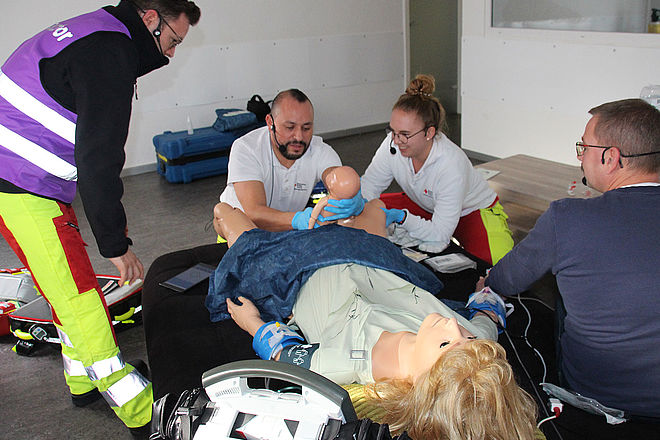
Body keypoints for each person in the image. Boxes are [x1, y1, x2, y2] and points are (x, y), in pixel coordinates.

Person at [0, 0, 200, 433]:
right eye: (172, 40)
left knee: (63, 286)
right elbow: (99, 160)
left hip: (23, 175)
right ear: (151, 19)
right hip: (19, 183)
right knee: (79, 297)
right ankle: (143, 412)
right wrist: (117, 245)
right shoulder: (112, 53)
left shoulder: (100, 28)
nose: (170, 54)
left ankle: (81, 380)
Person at [216, 206, 537, 440]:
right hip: (372, 261)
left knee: (226, 215)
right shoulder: (478, 347)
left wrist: (252, 323)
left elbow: (284, 354)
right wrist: (486, 294)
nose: (453, 328)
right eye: (466, 338)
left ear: (424, 381)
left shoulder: (346, 361)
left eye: (445, 344)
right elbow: (486, 317)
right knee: (373, 207)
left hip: (303, 273)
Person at [484, 98, 660, 439]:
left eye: (583, 147)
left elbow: (505, 279)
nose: (579, 156)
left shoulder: (568, 218)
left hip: (598, 397)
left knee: (558, 293)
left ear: (611, 157)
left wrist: (486, 283)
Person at [360, 74, 513, 265]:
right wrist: (357, 205)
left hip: (471, 213)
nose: (396, 141)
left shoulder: (450, 164)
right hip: (425, 204)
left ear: (429, 133)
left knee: (497, 269)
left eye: (405, 135)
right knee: (368, 209)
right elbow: (370, 184)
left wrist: (402, 218)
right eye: (393, 131)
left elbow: (440, 233)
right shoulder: (392, 143)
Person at [218, 88, 364, 231]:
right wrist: (301, 219)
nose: (299, 137)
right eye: (290, 127)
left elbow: (336, 176)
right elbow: (254, 213)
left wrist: (350, 196)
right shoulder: (247, 148)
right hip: (239, 231)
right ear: (270, 122)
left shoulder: (321, 151)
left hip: (287, 231)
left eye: (306, 128)